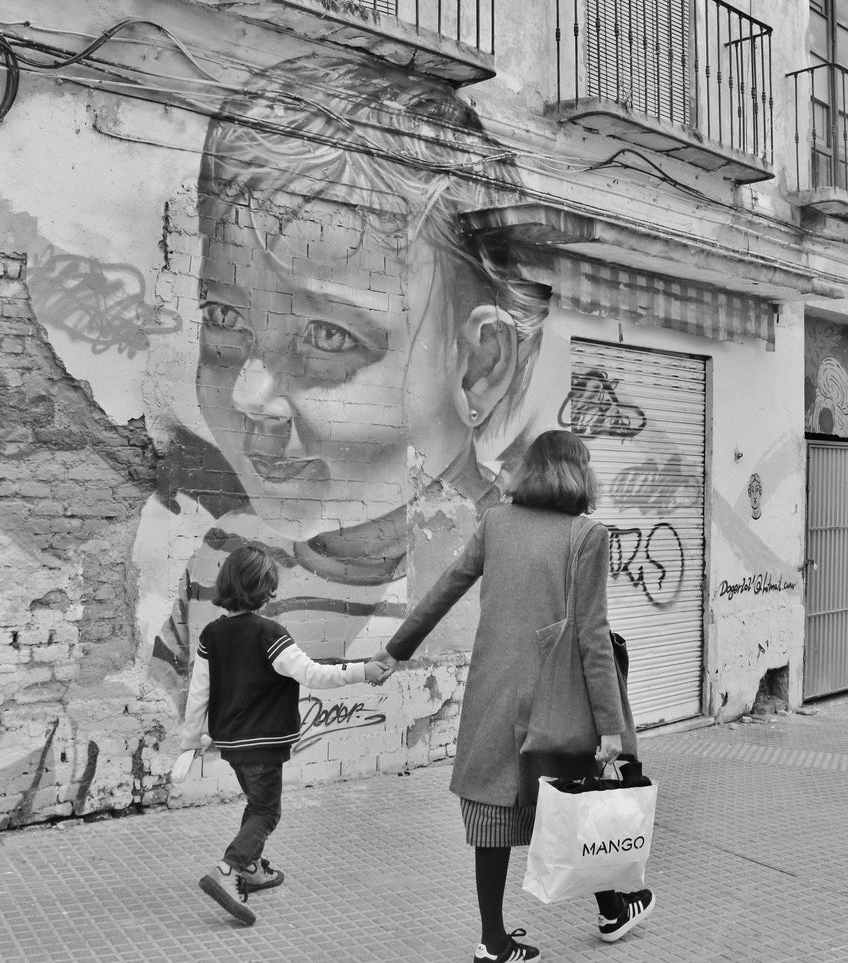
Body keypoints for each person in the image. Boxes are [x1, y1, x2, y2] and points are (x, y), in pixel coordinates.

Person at [132, 52, 552, 715]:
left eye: (326, 336)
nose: (248, 394)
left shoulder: (504, 572)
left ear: (479, 364)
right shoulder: (225, 559)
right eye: (222, 317)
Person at [373, 430, 653, 962]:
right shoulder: (588, 536)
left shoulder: (496, 522)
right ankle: (613, 906)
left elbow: (448, 585)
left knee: (493, 810)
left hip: (494, 691)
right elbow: (593, 636)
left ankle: (495, 940)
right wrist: (612, 724)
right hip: (559, 698)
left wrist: (396, 650)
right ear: (577, 474)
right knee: (574, 795)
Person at [176, 544, 386, 925]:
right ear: (265, 588)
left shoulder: (212, 634)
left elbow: (198, 693)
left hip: (232, 745)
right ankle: (228, 869)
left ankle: (253, 869)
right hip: (265, 743)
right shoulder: (269, 633)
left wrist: (190, 741)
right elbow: (312, 674)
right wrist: (361, 670)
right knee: (267, 810)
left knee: (256, 804)